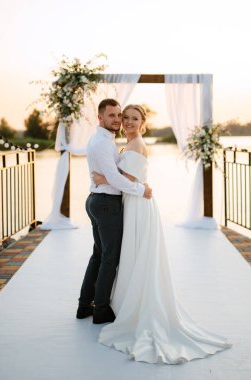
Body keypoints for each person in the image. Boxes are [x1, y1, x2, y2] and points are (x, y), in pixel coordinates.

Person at [93, 104, 232, 364]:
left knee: (137, 253)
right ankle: (121, 301)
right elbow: (129, 180)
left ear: (143, 123)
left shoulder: (136, 145)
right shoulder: (130, 142)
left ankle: (134, 306)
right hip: (134, 202)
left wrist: (102, 179)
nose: (129, 122)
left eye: (135, 118)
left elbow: (124, 178)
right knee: (132, 253)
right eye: (126, 118)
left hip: (138, 206)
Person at [76, 99, 152, 325]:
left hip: (100, 201)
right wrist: (141, 189)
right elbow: (118, 178)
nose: (119, 120)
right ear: (100, 118)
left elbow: (115, 175)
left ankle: (83, 305)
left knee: (99, 256)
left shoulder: (108, 141)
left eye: (120, 115)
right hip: (106, 204)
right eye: (113, 115)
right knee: (109, 258)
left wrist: (104, 178)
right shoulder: (102, 143)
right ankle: (100, 309)